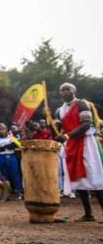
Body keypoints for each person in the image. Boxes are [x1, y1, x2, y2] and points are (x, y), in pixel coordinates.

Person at [55, 82, 103, 222]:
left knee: (95, 176)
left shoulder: (82, 104)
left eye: (67, 89)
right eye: (62, 90)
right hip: (71, 146)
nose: (64, 92)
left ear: (74, 91)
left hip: (86, 143)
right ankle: (88, 214)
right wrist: (54, 126)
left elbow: (86, 124)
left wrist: (67, 135)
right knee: (78, 177)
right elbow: (59, 127)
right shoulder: (59, 110)